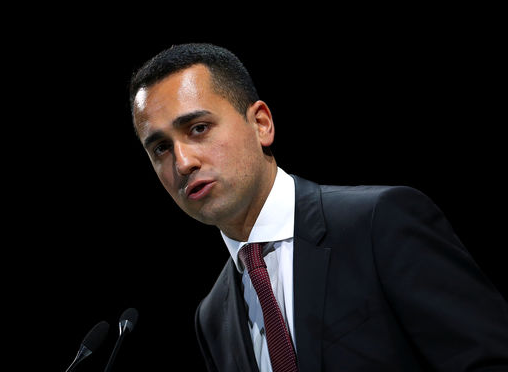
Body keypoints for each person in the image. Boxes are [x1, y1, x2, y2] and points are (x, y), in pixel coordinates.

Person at [128, 43, 508, 371]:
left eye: (198, 128)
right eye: (160, 148)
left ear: (261, 124)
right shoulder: (212, 317)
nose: (182, 162)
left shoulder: (379, 222)